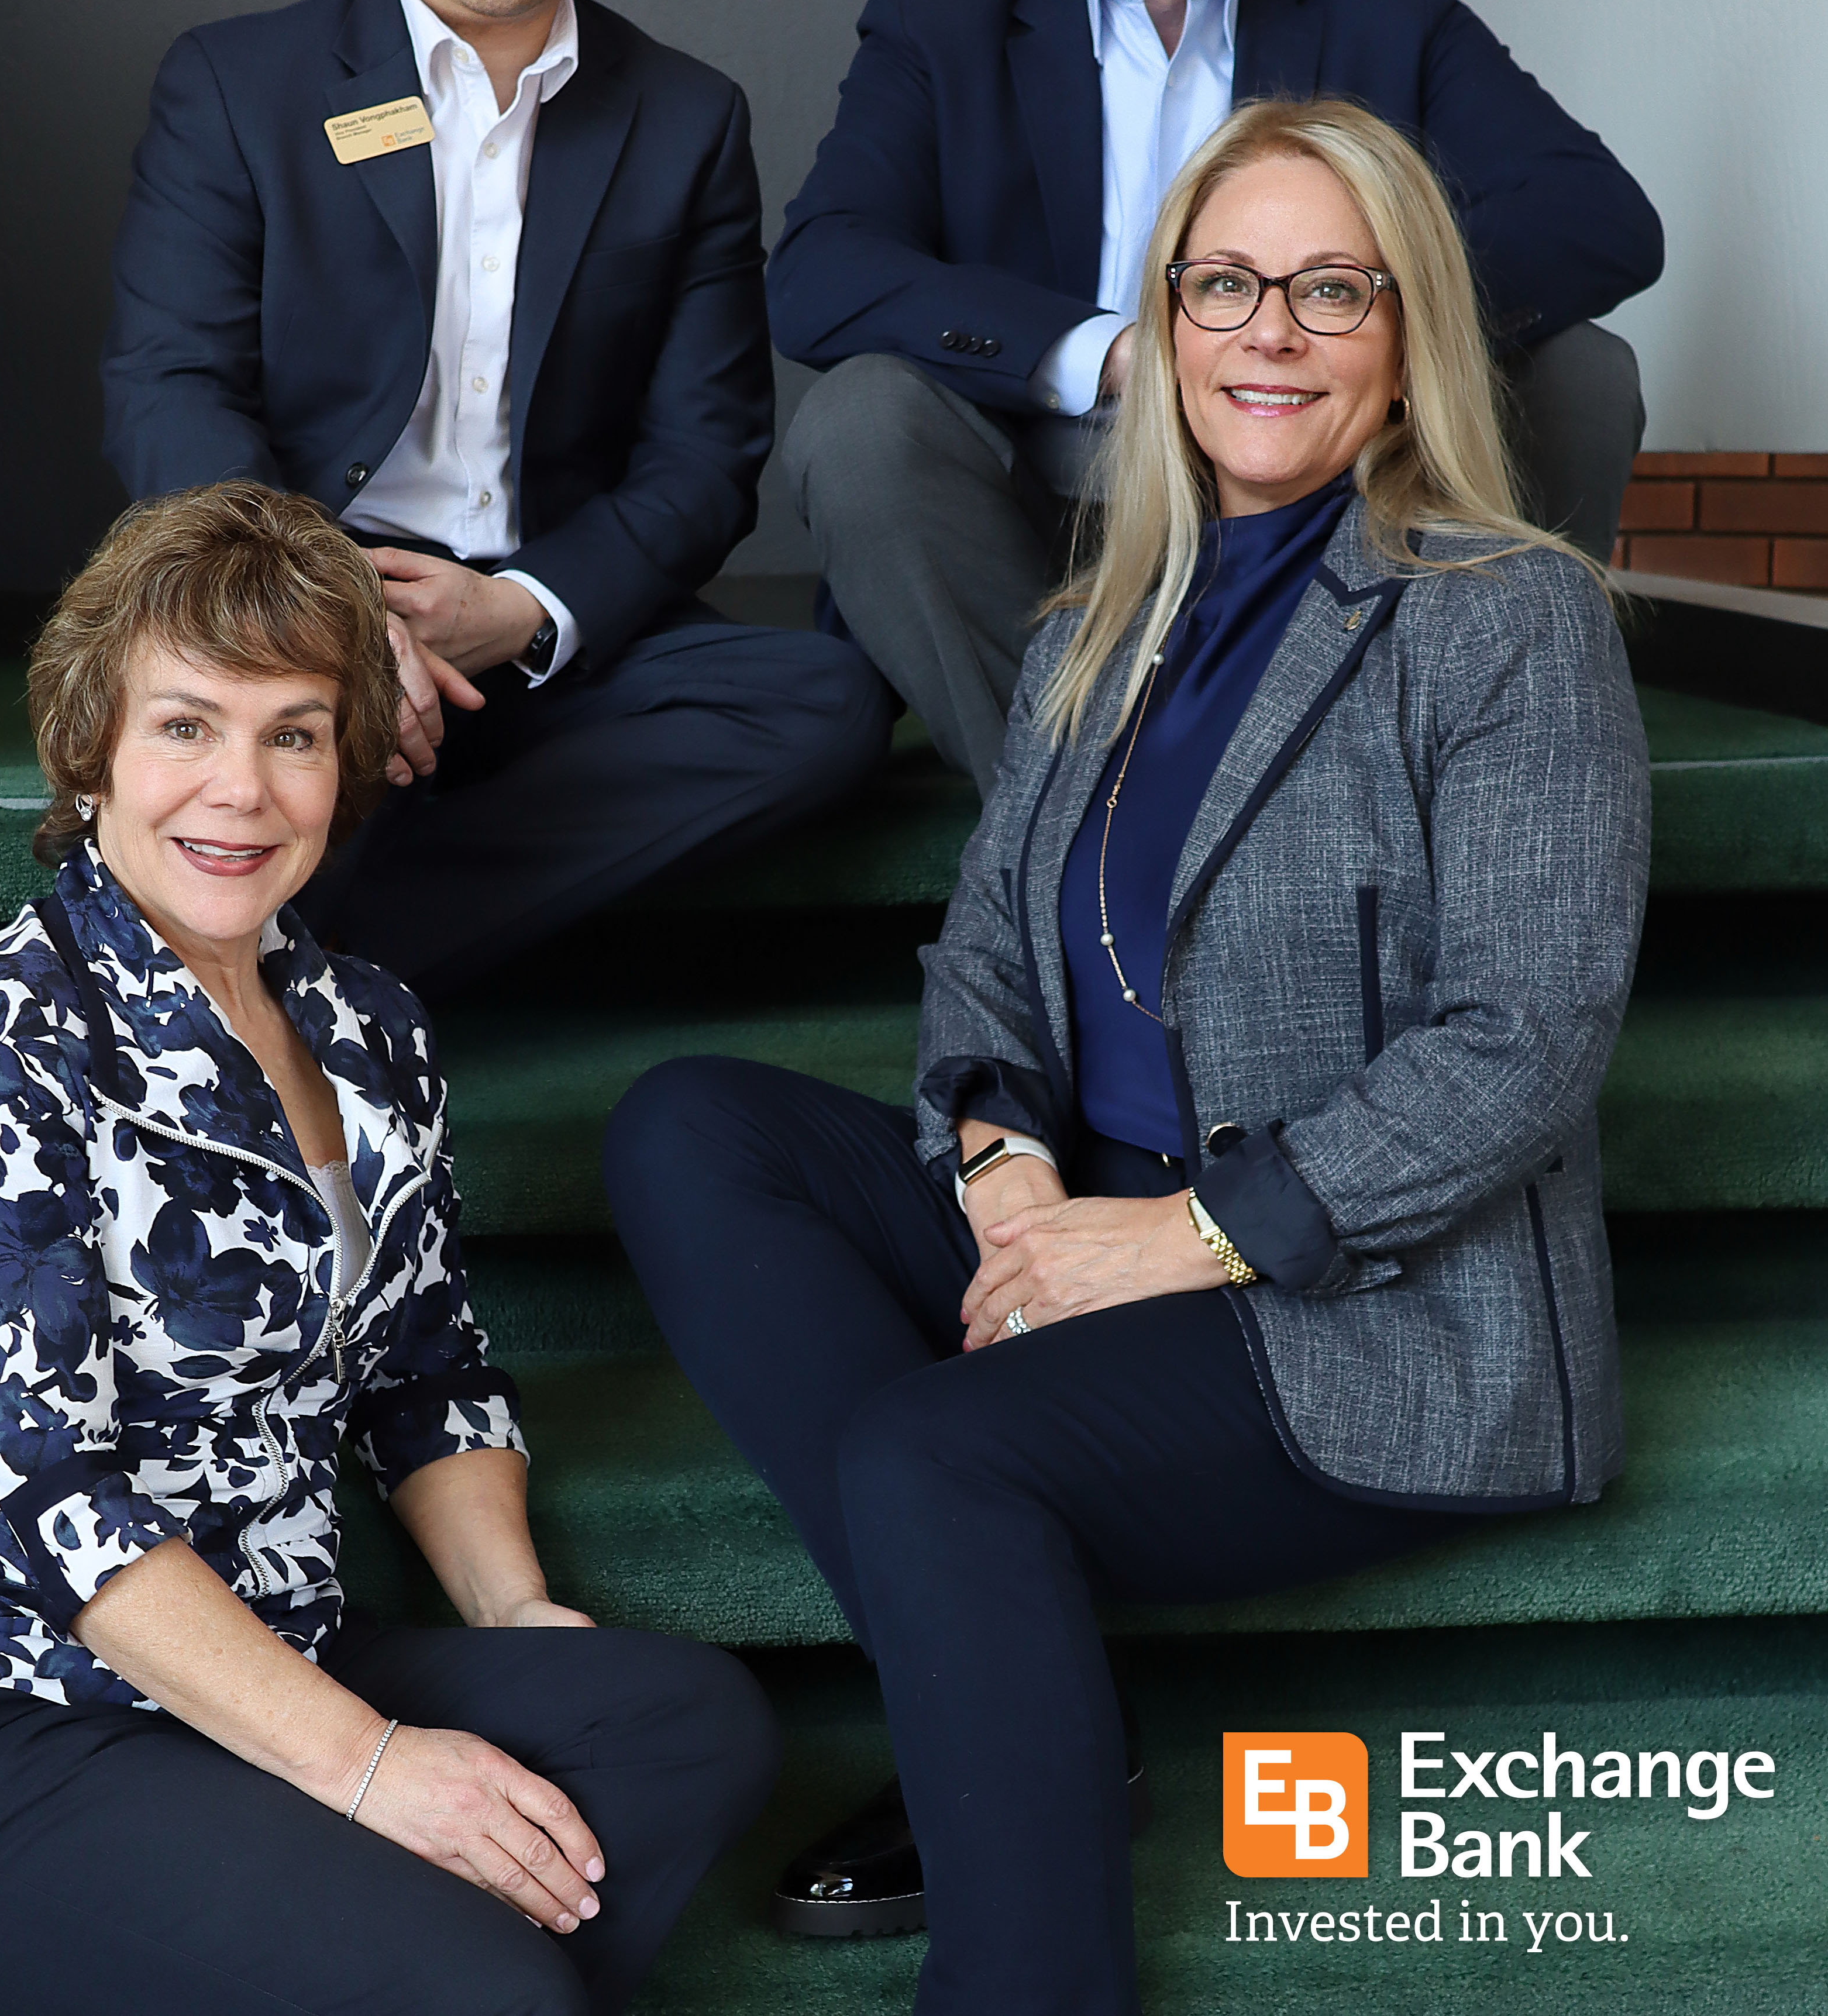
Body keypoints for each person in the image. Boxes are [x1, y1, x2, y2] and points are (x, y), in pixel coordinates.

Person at [603, 99, 1650, 2011]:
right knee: (693, 1128)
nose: (1270, 332)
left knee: (930, 1454)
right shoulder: (1108, 620)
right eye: (1225, 284)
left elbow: (1523, 1042)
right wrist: (1005, 1167)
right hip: (1100, 1211)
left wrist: (1172, 1240)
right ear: (1166, 324)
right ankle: (1014, 1704)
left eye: (1331, 290)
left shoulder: (1507, 616)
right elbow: (990, 958)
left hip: (1369, 1304)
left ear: (1408, 329)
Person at [0, 483, 777, 2016]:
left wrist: (514, 1613)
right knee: (491, 1990)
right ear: (93, 748)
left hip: (280, 1648)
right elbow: (43, 1498)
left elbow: (424, 1371)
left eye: (295, 733)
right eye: (187, 726)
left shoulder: (367, 1024)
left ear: (345, 760)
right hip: (3, 1704)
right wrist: (374, 1766)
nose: (241, 789)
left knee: (681, 1724)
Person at [773, 0, 1664, 793]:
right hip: (1051, 509)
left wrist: (1338, 316)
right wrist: (1116, 354)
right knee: (857, 423)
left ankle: (1486, 759)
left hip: (1331, 484)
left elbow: (1600, 217)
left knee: (1584, 370)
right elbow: (820, 269)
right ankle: (1068, 812)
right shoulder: (939, 26)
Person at [102, 0, 890, 987]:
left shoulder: (684, 117)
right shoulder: (239, 86)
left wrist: (522, 609)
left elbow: (705, 458)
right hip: (301, 603)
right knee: (250, 720)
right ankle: (336, 843)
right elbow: (167, 385)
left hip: (539, 629)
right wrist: (333, 618)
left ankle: (335, 960)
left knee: (827, 705)